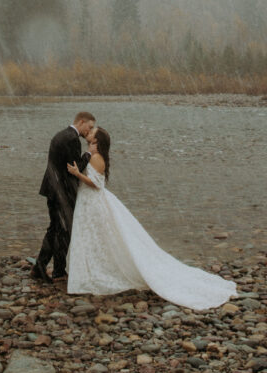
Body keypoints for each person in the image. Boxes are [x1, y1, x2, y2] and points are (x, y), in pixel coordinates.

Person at [66, 128, 237, 308]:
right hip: (88, 202)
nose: (90, 138)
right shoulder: (94, 156)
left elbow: (96, 185)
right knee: (95, 237)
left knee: (97, 236)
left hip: (93, 202)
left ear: (98, 142)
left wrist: (78, 174)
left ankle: (96, 271)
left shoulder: (97, 158)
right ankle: (90, 270)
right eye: (89, 140)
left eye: (92, 139)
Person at [31, 111, 96, 284]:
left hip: (52, 188)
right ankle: (58, 271)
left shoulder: (60, 134)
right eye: (89, 127)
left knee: (55, 229)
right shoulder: (72, 139)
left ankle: (40, 267)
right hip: (62, 191)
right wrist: (88, 154)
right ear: (81, 122)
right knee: (63, 231)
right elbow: (74, 169)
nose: (88, 132)